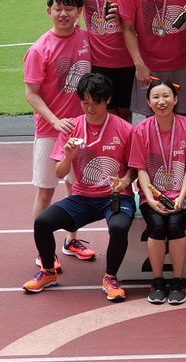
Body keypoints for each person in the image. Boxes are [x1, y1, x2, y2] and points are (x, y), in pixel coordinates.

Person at [23, 74, 135, 301]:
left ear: (108, 100)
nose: (90, 108)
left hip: (116, 196)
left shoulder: (124, 128)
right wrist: (69, 155)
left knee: (119, 227)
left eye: (96, 103)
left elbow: (136, 166)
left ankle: (110, 278)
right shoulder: (71, 127)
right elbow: (60, 172)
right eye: (85, 103)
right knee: (42, 222)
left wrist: (125, 181)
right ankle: (48, 271)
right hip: (83, 197)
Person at [23, 0, 97, 265]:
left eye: (69, 9)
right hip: (50, 131)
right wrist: (55, 121)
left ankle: (71, 240)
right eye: (58, 9)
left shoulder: (87, 40)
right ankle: (44, 252)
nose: (63, 14)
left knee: (76, 190)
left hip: (80, 130)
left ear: (79, 12)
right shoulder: (39, 49)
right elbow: (31, 93)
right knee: (45, 190)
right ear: (49, 11)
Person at [129, 77, 186, 306]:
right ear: (148, 102)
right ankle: (158, 281)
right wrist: (151, 200)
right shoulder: (141, 130)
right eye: (156, 97)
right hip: (152, 197)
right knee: (158, 226)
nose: (161, 101)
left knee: (174, 225)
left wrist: (181, 196)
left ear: (175, 99)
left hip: (183, 196)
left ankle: (178, 281)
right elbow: (141, 169)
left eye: (166, 96)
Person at [69, 0, 139, 120]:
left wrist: (124, 14)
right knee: (103, 111)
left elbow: (140, 17)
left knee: (124, 112)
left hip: (126, 58)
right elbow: (71, 6)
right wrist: (75, 23)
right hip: (97, 59)